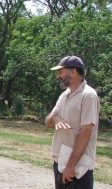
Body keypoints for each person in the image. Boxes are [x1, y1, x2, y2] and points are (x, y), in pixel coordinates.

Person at [45, 56, 100, 189]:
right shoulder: (64, 95)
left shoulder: (89, 96)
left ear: (73, 71)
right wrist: (57, 119)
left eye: (61, 72)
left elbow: (85, 133)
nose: (58, 76)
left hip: (78, 167)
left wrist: (71, 166)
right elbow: (48, 120)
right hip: (60, 162)